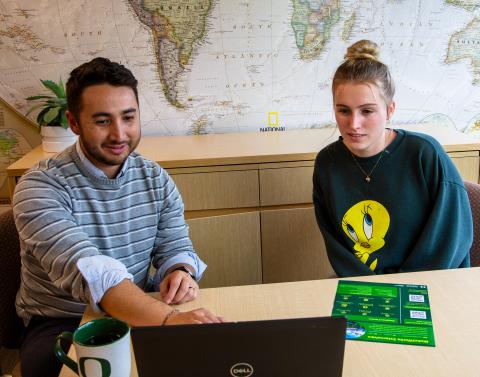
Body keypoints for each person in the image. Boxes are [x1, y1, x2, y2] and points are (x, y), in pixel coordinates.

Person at [13, 57, 223, 377]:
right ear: (73, 122)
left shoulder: (155, 178)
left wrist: (179, 269)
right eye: (102, 121)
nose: (119, 134)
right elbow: (94, 273)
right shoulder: (39, 186)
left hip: (139, 305)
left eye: (128, 117)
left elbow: (176, 243)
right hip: (62, 322)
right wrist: (166, 319)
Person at [313, 40, 473, 277]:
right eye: (344, 110)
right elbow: (336, 244)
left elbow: (452, 237)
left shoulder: (424, 154)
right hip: (366, 287)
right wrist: (374, 289)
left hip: (434, 281)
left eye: (367, 111)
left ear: (389, 110)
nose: (353, 124)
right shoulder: (327, 163)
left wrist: (404, 286)